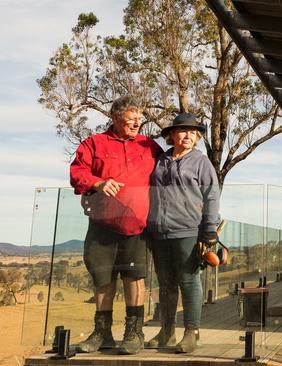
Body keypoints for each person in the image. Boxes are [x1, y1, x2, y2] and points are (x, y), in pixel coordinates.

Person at [70, 96, 162, 355]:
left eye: (140, 117)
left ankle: (134, 333)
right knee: (103, 278)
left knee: (134, 278)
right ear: (115, 117)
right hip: (101, 225)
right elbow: (77, 172)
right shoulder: (94, 143)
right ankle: (102, 334)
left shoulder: (148, 145)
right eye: (131, 118)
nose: (137, 122)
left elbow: (167, 172)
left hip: (137, 226)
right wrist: (97, 183)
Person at [146, 113, 220, 353]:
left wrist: (209, 229)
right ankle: (166, 331)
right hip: (158, 231)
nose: (188, 135)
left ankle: (192, 333)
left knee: (189, 281)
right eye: (182, 131)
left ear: (197, 137)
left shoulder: (201, 162)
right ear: (171, 135)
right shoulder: (160, 159)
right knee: (166, 284)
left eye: (193, 132)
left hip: (189, 230)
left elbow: (211, 195)